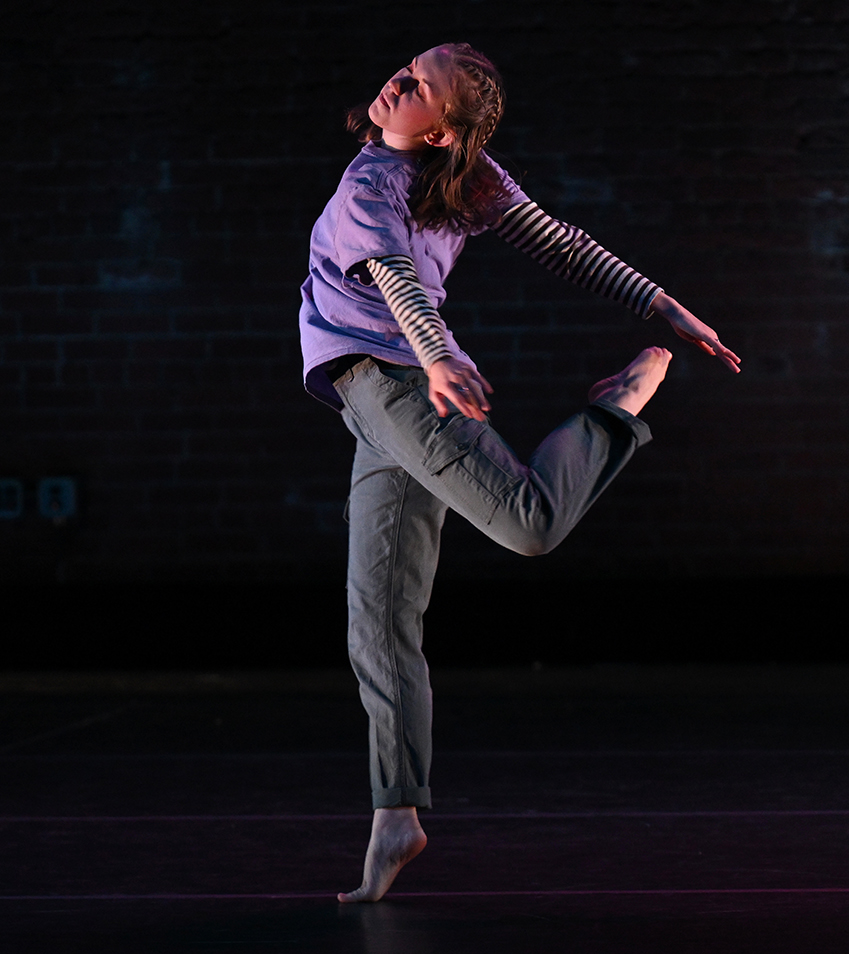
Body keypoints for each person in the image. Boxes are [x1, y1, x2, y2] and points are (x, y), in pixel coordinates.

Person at [298, 42, 740, 903]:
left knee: (529, 524)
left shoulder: (402, 182)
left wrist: (660, 305)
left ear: (442, 132)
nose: (399, 81)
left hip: (399, 385)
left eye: (422, 87)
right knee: (378, 621)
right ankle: (397, 812)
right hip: (376, 397)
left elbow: (548, 248)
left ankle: (616, 407)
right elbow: (401, 274)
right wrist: (430, 354)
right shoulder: (380, 176)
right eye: (408, 67)